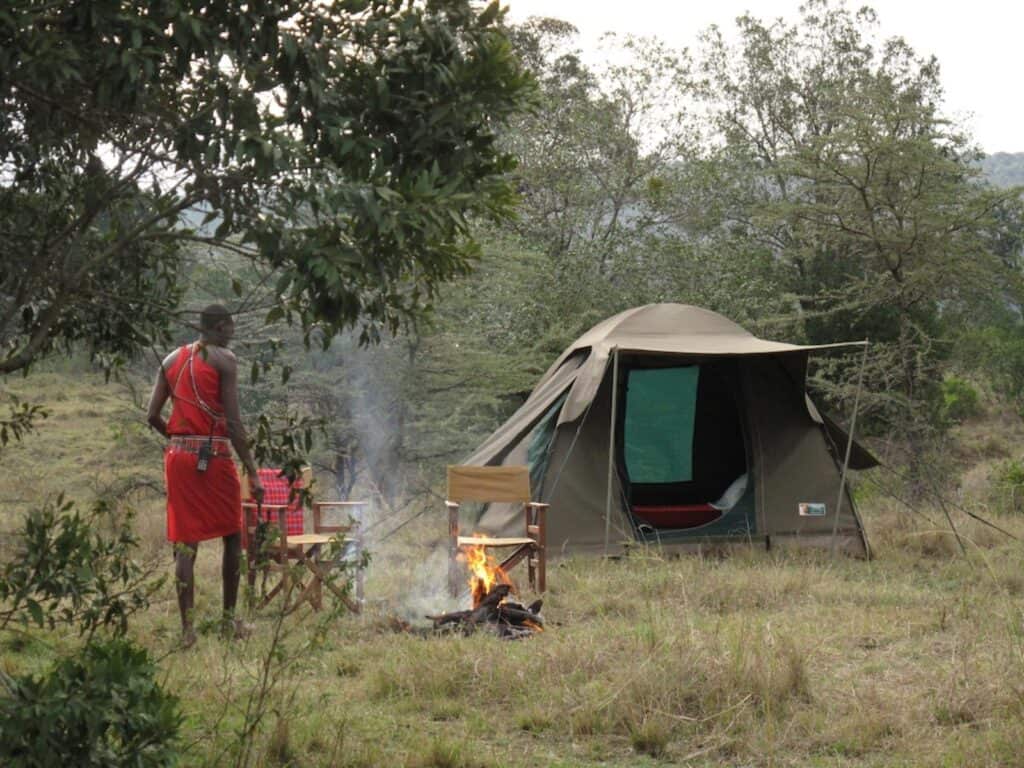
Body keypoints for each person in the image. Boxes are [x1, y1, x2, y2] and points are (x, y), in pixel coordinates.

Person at [147, 304, 264, 648]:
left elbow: (151, 415)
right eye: (230, 326)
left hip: (179, 458)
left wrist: (178, 439)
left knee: (185, 543)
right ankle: (228, 623)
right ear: (219, 327)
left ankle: (188, 633)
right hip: (214, 456)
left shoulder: (171, 359)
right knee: (231, 534)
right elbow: (235, 422)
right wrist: (253, 471)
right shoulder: (224, 360)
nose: (233, 332)